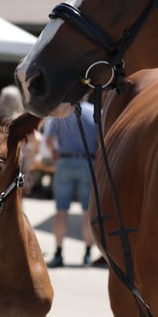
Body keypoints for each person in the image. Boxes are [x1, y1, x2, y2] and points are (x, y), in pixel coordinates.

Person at [45, 98, 98, 268]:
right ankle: (87, 254)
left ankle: (58, 252)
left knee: (61, 210)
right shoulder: (95, 112)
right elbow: (100, 140)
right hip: (88, 162)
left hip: (64, 161)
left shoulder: (61, 113)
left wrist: (54, 153)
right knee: (87, 211)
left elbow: (48, 140)